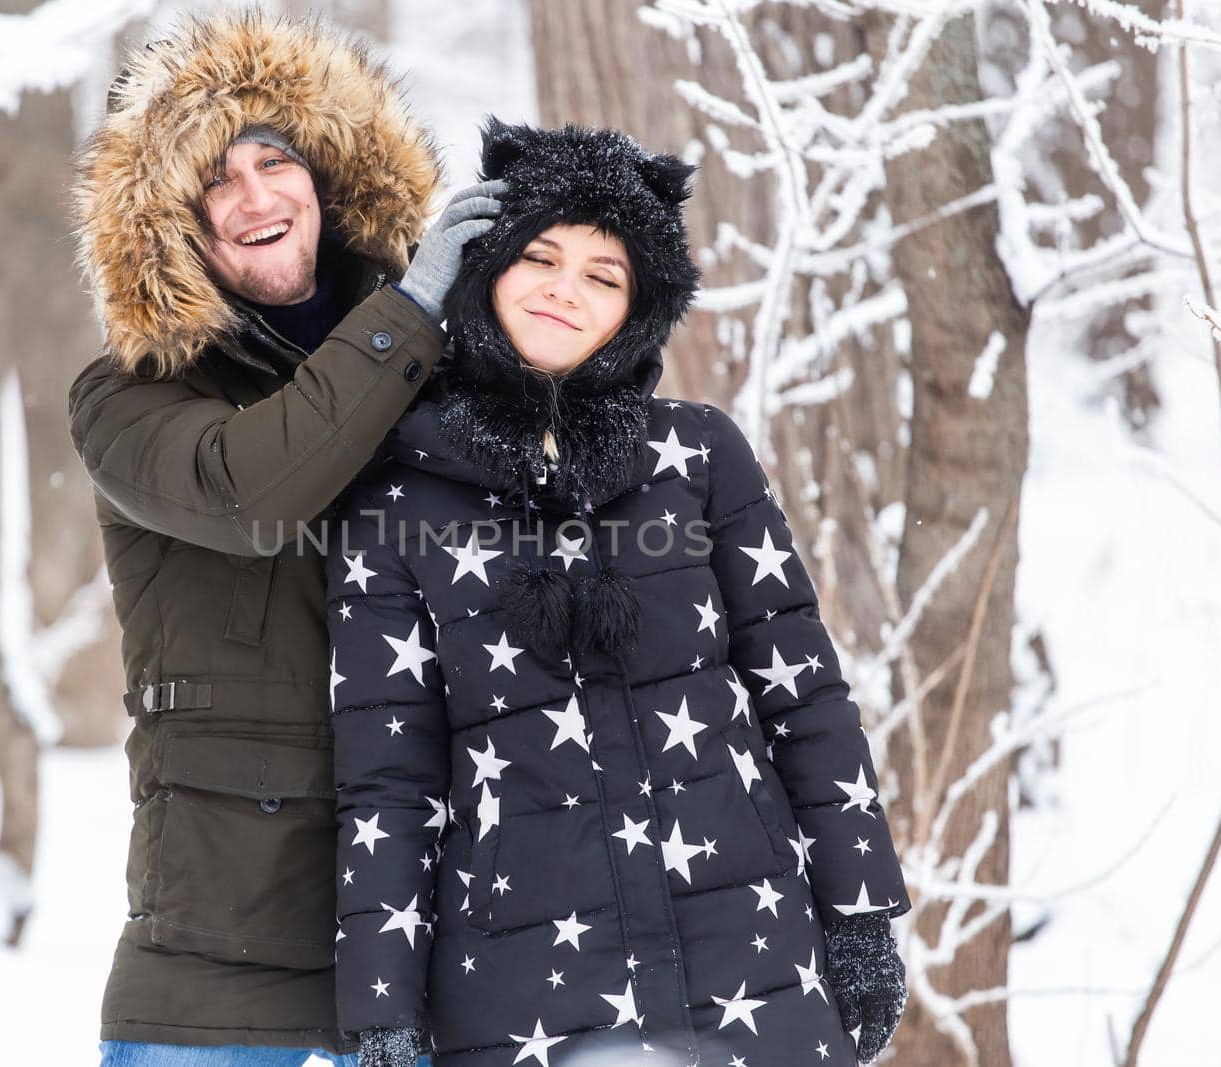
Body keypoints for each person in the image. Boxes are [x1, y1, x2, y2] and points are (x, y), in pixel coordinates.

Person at [325, 119, 912, 1067]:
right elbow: (387, 780)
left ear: (638, 310)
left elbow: (804, 699)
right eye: (540, 257)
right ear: (484, 267)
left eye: (605, 275)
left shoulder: (699, 456)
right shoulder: (395, 496)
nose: (566, 288)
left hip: (750, 962)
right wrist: (382, 1006)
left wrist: (861, 910)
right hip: (521, 991)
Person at [67, 12, 503, 1064]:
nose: (256, 195)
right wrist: (410, 310)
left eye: (277, 160)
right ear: (174, 223)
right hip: (218, 973)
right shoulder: (130, 400)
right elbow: (255, 491)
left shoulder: (438, 373)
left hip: (430, 952)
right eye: (217, 181)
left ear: (331, 180)